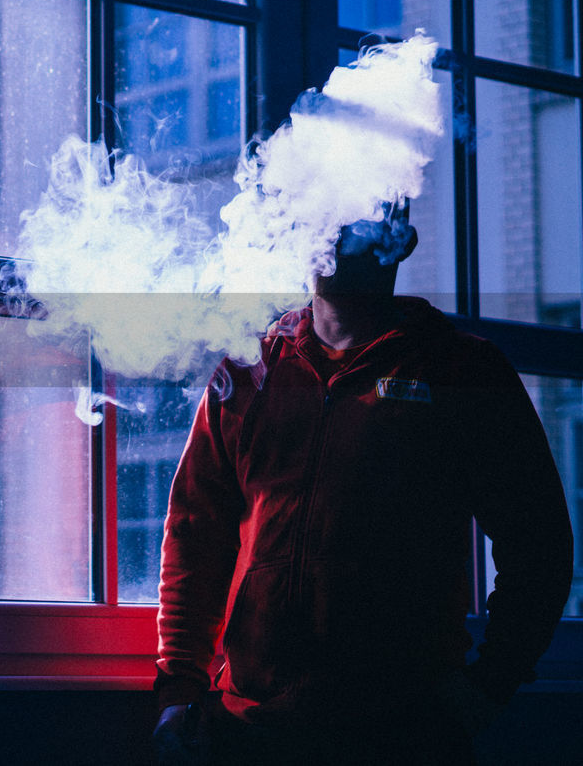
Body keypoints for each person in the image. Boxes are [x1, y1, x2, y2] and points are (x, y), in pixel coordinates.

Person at [150, 207, 574, 765]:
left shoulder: (462, 370)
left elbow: (538, 543)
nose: (332, 228)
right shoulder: (250, 370)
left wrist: (489, 683)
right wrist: (179, 688)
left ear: (398, 242)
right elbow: (195, 532)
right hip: (247, 732)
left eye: (357, 214)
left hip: (402, 736)